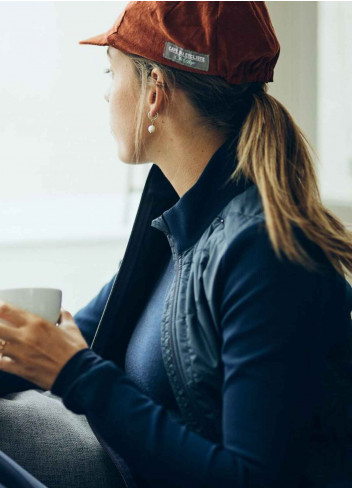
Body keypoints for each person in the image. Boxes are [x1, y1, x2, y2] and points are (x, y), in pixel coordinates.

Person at [1, 1, 352, 487]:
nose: (107, 96)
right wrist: (43, 355)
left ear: (155, 93)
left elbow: (249, 478)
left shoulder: (265, 252)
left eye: (112, 73)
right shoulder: (178, 223)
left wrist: (76, 374)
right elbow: (73, 341)